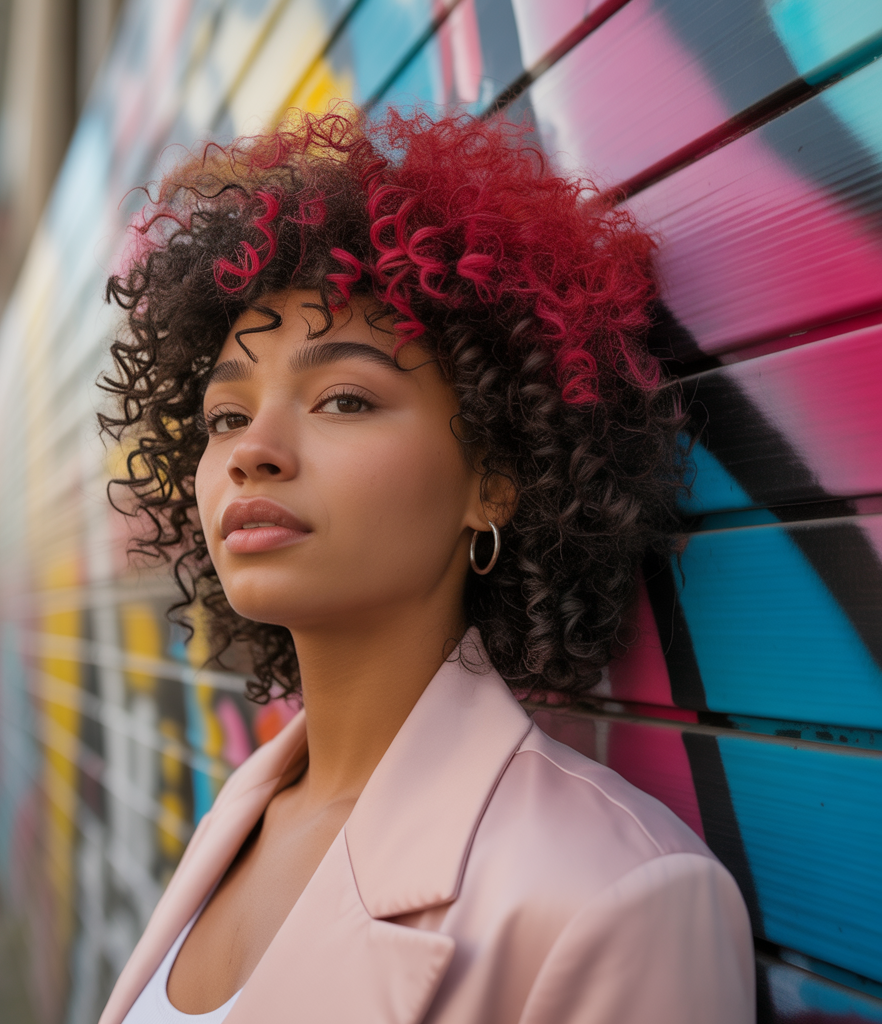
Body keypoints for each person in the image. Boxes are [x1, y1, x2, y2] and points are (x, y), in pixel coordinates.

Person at [97, 108, 754, 1024]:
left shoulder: (614, 900)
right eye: (225, 418)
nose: (254, 452)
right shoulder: (237, 814)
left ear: (494, 477)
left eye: (345, 398)